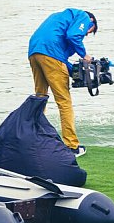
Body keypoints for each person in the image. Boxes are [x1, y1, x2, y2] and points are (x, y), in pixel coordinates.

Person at [28, 8, 97, 157]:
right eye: (89, 31)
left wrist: (74, 72)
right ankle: (71, 146)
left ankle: (33, 139)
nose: (86, 34)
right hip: (51, 53)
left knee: (40, 98)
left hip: (35, 52)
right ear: (91, 21)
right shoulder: (84, 17)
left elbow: (61, 61)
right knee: (64, 102)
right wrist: (85, 55)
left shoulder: (59, 17)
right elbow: (73, 36)